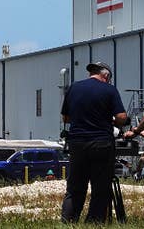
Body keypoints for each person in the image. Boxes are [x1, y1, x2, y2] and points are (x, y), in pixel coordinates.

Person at [60, 61, 128, 223]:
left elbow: (66, 117)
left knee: (75, 188)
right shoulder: (109, 90)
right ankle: (94, 222)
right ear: (105, 75)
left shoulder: (74, 88)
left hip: (77, 143)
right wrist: (110, 120)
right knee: (100, 188)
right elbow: (121, 117)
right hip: (101, 143)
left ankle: (68, 221)